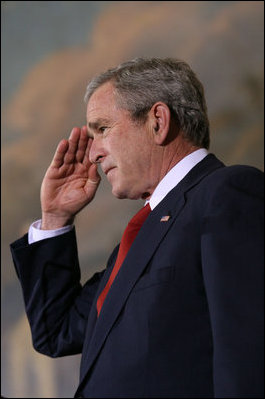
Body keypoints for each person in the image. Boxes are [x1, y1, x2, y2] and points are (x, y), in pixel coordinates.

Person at [10, 58, 264, 398]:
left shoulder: (226, 193)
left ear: (157, 121)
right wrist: (55, 218)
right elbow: (56, 332)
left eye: (102, 129)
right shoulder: (143, 235)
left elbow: (248, 357)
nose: (94, 153)